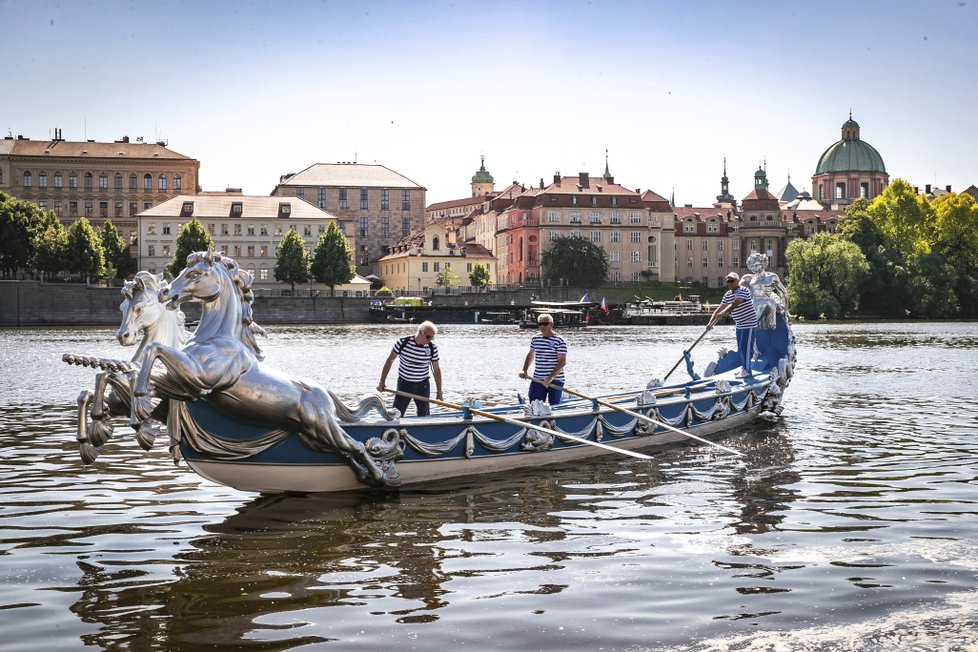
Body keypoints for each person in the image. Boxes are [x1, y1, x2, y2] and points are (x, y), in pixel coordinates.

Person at [377, 320, 443, 417]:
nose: (430, 340)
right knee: (396, 415)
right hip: (404, 384)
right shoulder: (403, 342)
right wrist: (382, 382)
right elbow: (390, 360)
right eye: (428, 337)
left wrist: (439, 392)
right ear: (421, 332)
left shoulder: (432, 348)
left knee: (424, 416)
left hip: (422, 386)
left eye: (432, 338)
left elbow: (436, 370)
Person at [706, 272, 758, 378]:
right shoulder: (728, 294)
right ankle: (744, 368)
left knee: (746, 347)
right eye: (728, 281)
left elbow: (735, 303)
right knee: (741, 349)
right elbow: (719, 309)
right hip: (739, 324)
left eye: (732, 281)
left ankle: (747, 370)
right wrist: (710, 323)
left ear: (737, 281)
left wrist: (724, 312)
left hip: (749, 323)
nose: (729, 283)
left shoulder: (743, 290)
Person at [519, 313, 567, 404]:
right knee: (534, 404)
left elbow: (562, 362)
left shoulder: (559, 340)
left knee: (554, 405)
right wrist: (524, 370)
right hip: (538, 379)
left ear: (551, 325)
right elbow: (531, 355)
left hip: (555, 380)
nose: (542, 326)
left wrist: (550, 378)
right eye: (540, 324)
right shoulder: (535, 338)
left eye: (545, 323)